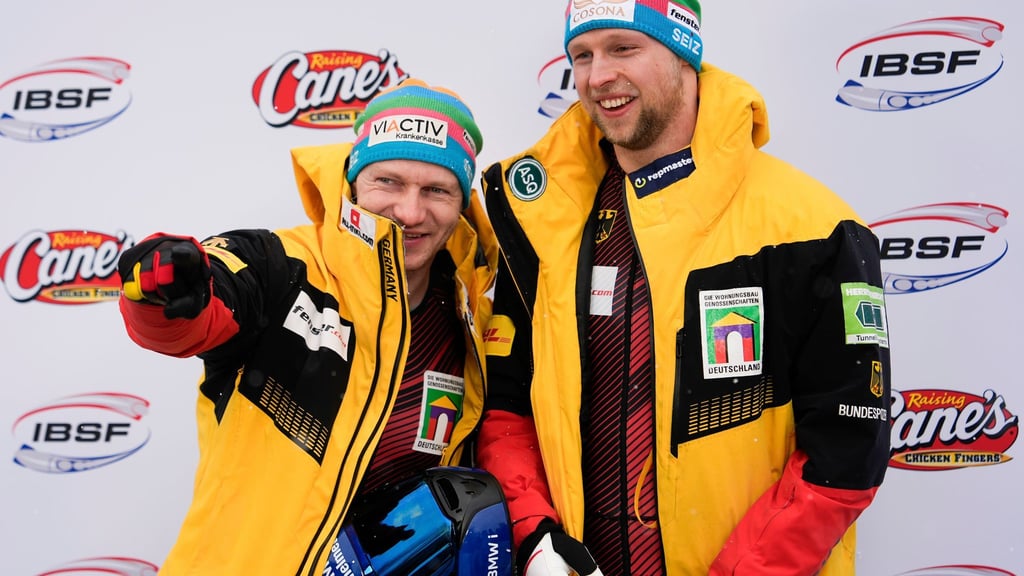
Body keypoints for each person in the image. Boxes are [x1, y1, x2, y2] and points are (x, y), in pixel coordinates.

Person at [476, 1, 892, 575]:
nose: (599, 77)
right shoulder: (547, 223)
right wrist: (536, 538)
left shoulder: (813, 228)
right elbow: (507, 409)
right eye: (582, 56)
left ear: (683, 55)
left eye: (625, 48)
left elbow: (845, 457)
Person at [116, 79, 503, 575]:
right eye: (388, 182)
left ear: (462, 201)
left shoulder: (469, 319)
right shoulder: (283, 268)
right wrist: (166, 291)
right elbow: (199, 313)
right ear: (353, 180)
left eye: (436, 190)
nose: (410, 212)